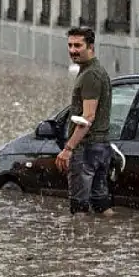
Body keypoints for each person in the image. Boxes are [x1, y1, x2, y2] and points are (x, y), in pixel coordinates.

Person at [55, 26, 114, 216]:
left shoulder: (90, 75)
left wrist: (68, 148)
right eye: (70, 45)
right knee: (101, 204)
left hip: (87, 147)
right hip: (101, 146)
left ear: (90, 47)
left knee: (79, 208)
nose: (72, 50)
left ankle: (79, 243)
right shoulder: (94, 71)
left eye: (78, 45)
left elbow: (88, 117)